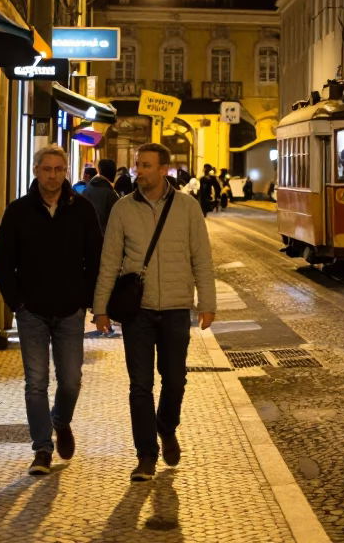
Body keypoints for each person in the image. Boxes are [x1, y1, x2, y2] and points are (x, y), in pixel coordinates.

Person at [93, 142, 216, 482]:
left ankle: (166, 426)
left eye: (146, 165)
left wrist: (207, 303)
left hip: (176, 308)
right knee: (140, 386)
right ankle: (146, 455)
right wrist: (100, 308)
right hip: (138, 311)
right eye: (138, 165)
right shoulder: (123, 209)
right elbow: (109, 262)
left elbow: (202, 259)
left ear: (164, 170)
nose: (139, 171)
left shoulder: (188, 207)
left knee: (175, 380)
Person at [0, 145, 103, 476]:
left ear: (66, 171)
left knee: (70, 380)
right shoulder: (18, 211)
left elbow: (96, 258)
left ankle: (60, 421)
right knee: (35, 382)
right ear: (36, 171)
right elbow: (2, 262)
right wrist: (17, 302)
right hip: (32, 312)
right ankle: (42, 448)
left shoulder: (82, 209)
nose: (52, 175)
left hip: (70, 310)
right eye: (46, 169)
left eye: (58, 169)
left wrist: (87, 299)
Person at [83, 158, 120, 235]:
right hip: (104, 238)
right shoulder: (111, 194)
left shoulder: (86, 190)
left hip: (87, 236)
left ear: (99, 171)